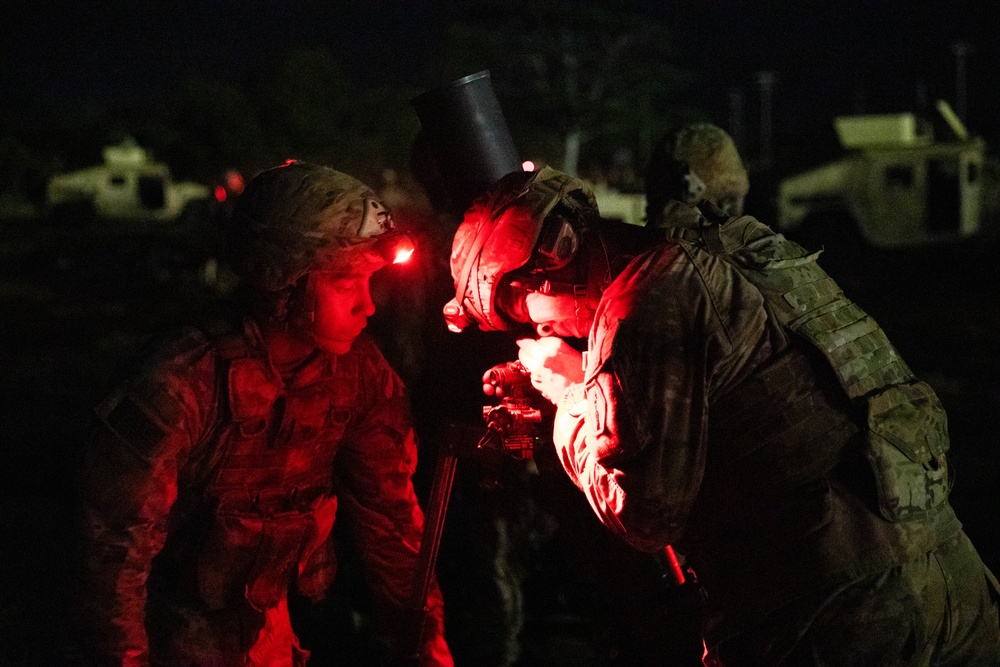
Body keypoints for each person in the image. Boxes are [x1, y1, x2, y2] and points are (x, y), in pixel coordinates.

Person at [441, 143, 1000, 663]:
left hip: (833, 615)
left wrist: (570, 398)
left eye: (524, 314)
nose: (540, 328)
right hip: (954, 581)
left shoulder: (644, 302)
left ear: (548, 268)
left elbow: (645, 514)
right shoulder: (742, 245)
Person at [75, 161, 454, 666]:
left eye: (370, 284)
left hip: (270, 631)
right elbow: (112, 560)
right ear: (284, 283)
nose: (368, 307)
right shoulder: (180, 385)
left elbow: (392, 523)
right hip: (166, 635)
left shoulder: (358, 374)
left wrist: (429, 649)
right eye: (346, 285)